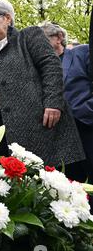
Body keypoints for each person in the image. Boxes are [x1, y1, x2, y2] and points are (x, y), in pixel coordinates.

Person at [0, 0, 84, 168]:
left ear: (7, 18)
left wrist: (53, 103)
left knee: (39, 174)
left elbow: (51, 66)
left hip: (33, 120)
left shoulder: (28, 36)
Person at [41, 22, 93, 184]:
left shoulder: (82, 53)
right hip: (61, 136)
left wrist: (87, 109)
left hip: (86, 125)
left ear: (59, 38)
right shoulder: (40, 69)